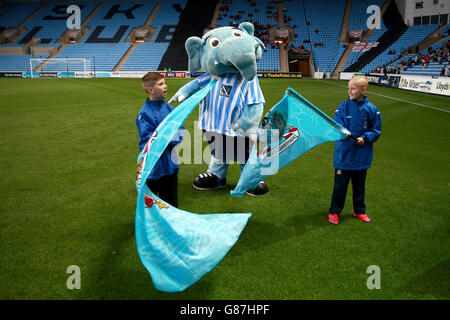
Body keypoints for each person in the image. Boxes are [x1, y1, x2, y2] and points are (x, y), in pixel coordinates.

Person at [328, 76, 382, 225]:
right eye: (348, 88)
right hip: (344, 156)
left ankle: (359, 211)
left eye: (353, 88)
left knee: (359, 187)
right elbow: (337, 127)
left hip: (362, 157)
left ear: (363, 90)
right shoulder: (342, 107)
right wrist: (344, 132)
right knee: (340, 187)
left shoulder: (372, 110)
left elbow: (376, 130)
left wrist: (365, 138)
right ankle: (334, 211)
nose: (349, 91)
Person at [136, 72, 184, 207]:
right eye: (161, 84)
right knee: (150, 205)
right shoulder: (144, 115)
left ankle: (169, 226)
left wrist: (169, 139)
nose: (165, 86)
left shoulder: (171, 109)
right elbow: (148, 140)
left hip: (171, 165)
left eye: (164, 83)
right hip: (152, 168)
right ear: (150, 90)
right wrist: (167, 139)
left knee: (172, 203)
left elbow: (180, 131)